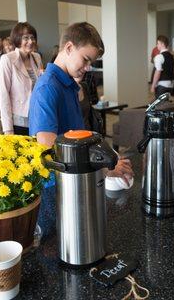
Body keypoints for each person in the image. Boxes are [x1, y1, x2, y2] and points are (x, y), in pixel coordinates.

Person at [28, 22, 133, 236]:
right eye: (86, 60)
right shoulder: (48, 88)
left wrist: (106, 157)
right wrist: (102, 167)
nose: (87, 68)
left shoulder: (69, 84)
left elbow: (78, 137)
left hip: (75, 182)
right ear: (68, 48)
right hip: (56, 189)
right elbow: (49, 152)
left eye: (91, 62)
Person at [0, 22, 42, 135]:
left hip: (37, 117)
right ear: (17, 39)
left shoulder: (36, 57)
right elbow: (3, 95)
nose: (30, 41)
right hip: (18, 121)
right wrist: (8, 129)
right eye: (26, 38)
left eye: (32, 38)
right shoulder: (7, 59)